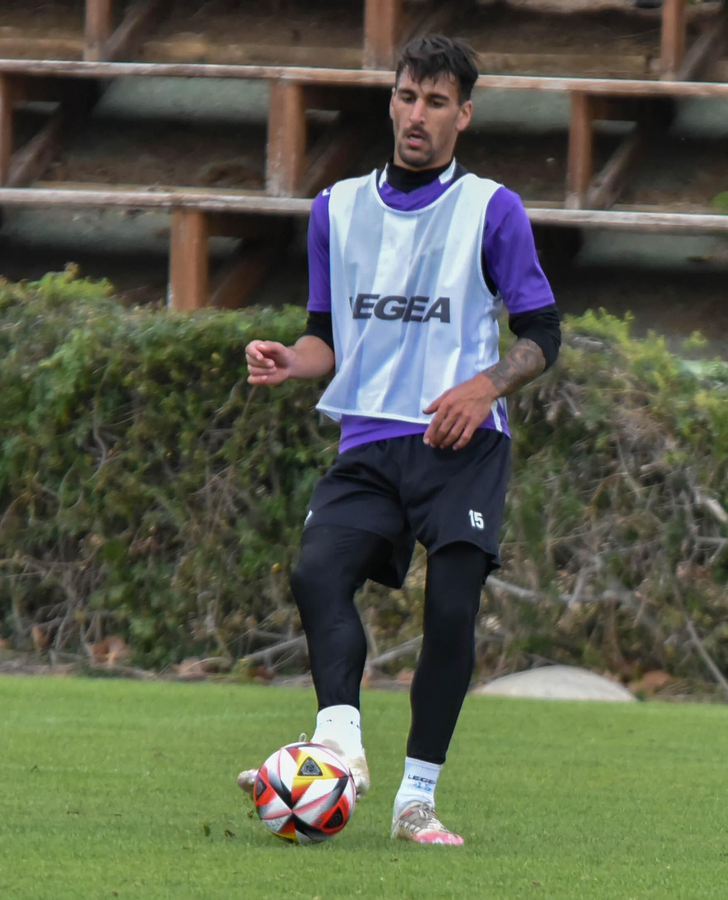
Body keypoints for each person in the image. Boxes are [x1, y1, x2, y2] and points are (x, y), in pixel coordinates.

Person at [238, 34, 562, 846]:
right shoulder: (335, 210)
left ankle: (416, 800)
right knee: (317, 574)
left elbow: (544, 333)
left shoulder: (493, 208)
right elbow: (326, 339)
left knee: (450, 612)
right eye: (408, 96)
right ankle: (339, 742)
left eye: (438, 102)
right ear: (391, 100)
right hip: (370, 444)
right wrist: (290, 360)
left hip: (463, 445)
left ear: (465, 115)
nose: (419, 115)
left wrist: (486, 384)